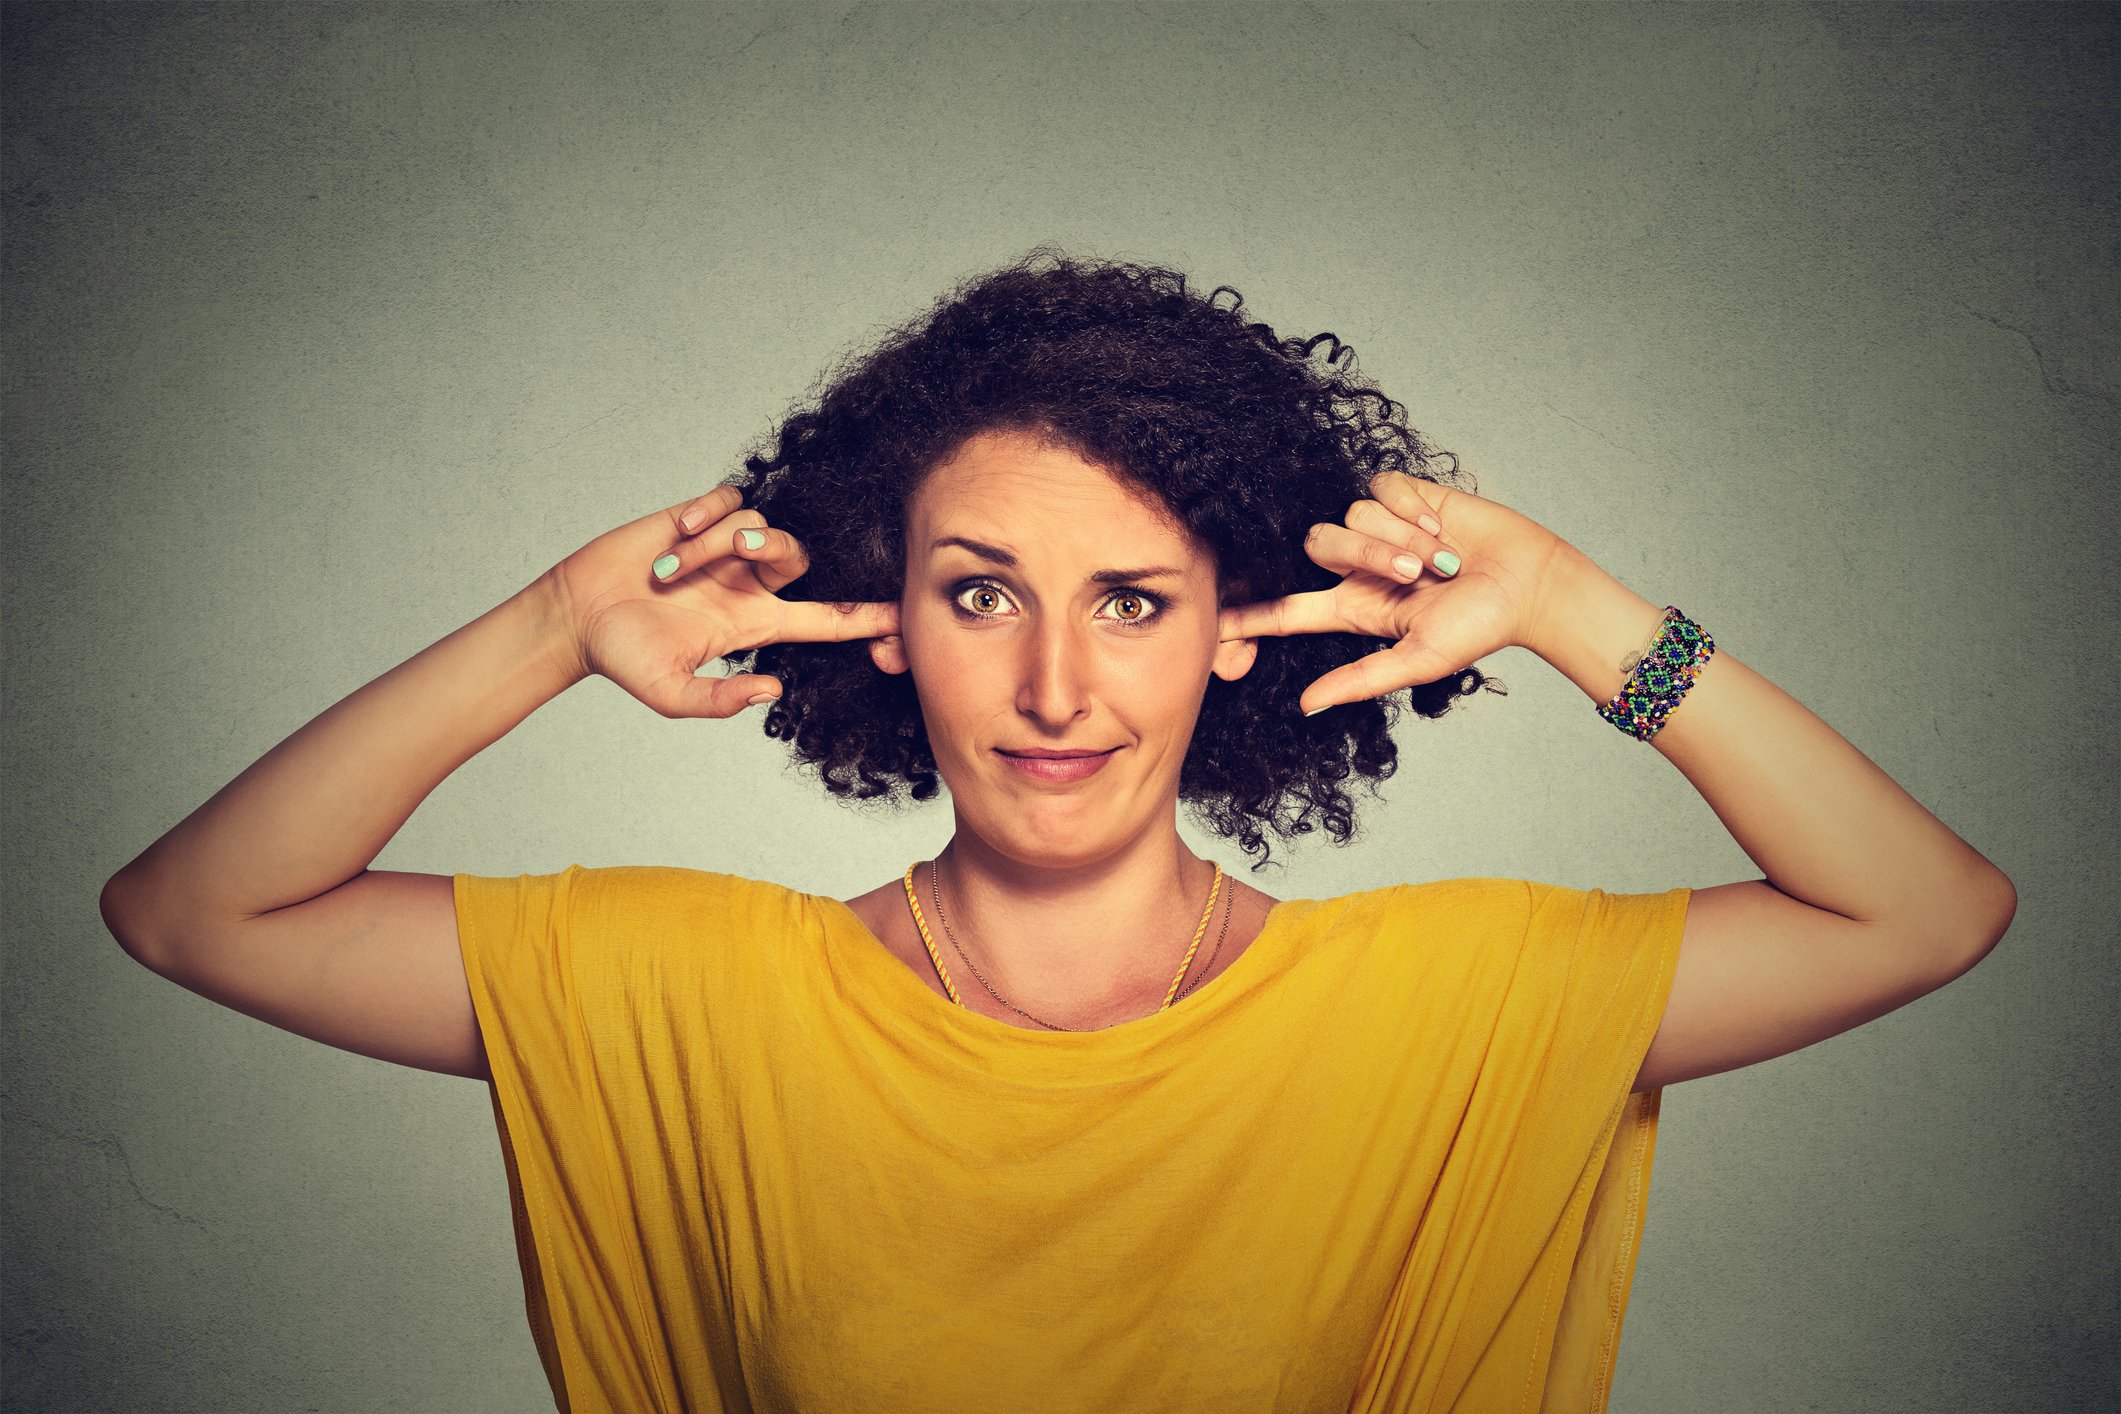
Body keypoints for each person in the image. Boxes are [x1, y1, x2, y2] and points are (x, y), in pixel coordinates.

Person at [98, 251, 2017, 1413]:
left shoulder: (1446, 1001)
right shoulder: (687, 991)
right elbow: (194, 910)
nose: (1051, 690)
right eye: (978, 590)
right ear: (878, 615)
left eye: (1129, 600)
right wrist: (544, 627)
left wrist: (1579, 603)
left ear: (1236, 632)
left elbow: (1924, 909)